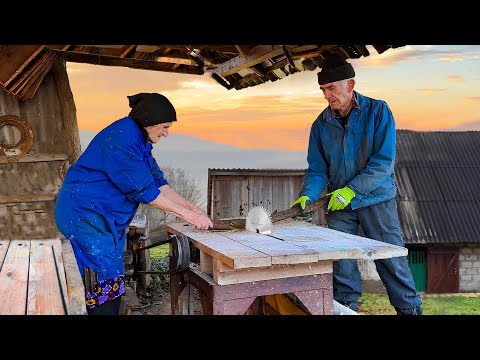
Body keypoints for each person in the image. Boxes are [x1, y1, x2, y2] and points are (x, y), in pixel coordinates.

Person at [55, 93, 213, 315]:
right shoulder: (122, 140)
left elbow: (158, 183)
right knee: (100, 276)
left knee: (111, 273)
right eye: (165, 127)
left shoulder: (139, 138)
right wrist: (190, 218)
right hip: (84, 215)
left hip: (101, 216)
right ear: (149, 121)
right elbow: (146, 192)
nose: (167, 133)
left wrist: (192, 208)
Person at [290, 53, 423, 315]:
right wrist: (308, 195)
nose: (327, 95)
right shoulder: (320, 125)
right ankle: (346, 309)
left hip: (376, 199)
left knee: (390, 259)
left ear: (350, 85)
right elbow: (317, 169)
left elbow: (383, 163)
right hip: (339, 204)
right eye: (323, 89)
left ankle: (409, 310)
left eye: (331, 88)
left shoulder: (378, 111)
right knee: (342, 263)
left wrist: (352, 190)